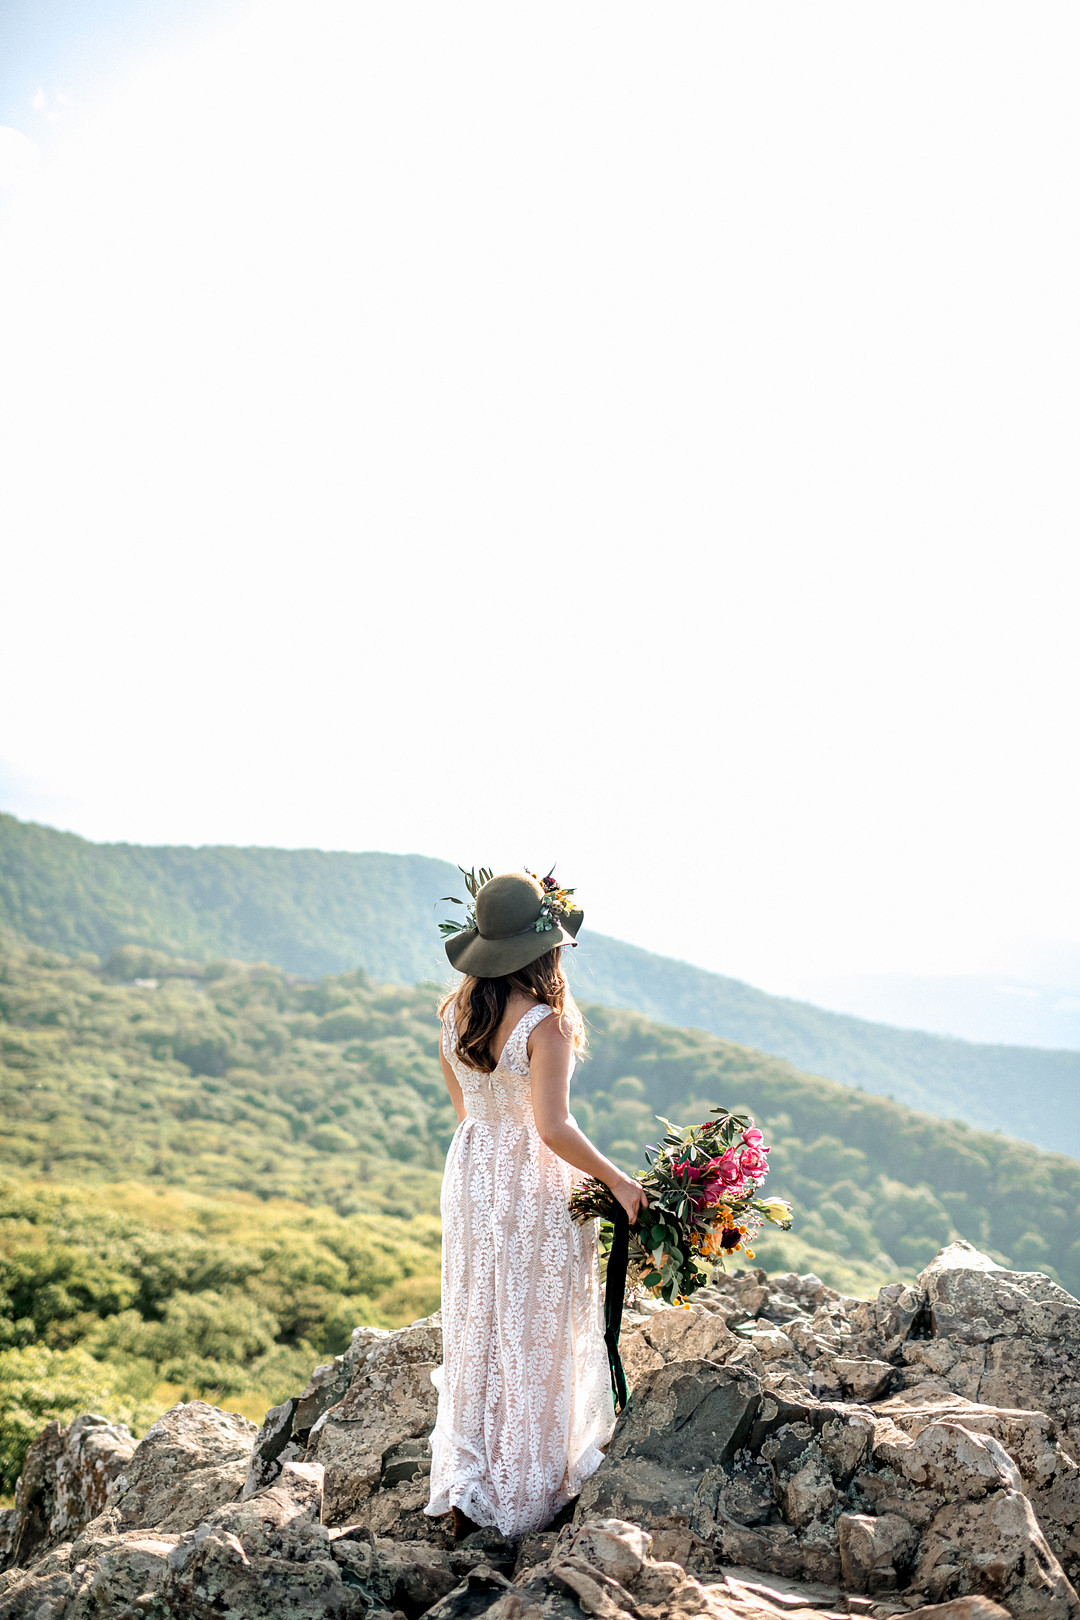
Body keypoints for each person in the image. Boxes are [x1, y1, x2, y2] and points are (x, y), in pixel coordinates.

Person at [424, 869, 648, 1541]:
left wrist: (493, 1159)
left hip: (473, 1173)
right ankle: (525, 1488)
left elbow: (467, 1112)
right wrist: (619, 1182)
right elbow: (553, 1127)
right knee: (535, 1326)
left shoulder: (454, 1016)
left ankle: (469, 1485)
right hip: (531, 1181)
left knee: (480, 1320)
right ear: (545, 949)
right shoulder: (546, 1026)